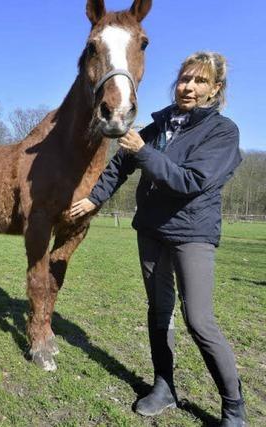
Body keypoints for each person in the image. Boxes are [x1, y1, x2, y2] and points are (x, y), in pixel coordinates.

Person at [71, 52, 246, 426]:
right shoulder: (160, 124)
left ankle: (234, 406)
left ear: (215, 89)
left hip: (191, 234)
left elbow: (191, 181)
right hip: (151, 231)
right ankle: (163, 386)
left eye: (200, 81)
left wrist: (144, 151)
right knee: (159, 312)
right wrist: (93, 198)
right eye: (185, 79)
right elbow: (120, 163)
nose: (189, 87)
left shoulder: (222, 132)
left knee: (199, 321)